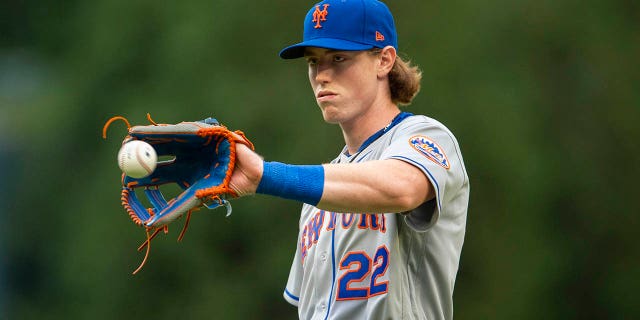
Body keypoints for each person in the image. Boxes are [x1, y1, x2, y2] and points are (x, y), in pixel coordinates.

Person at [229, 0, 469, 319]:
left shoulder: (425, 137)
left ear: (384, 60)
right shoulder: (316, 195)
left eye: (339, 58)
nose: (322, 75)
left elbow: (401, 188)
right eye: (314, 62)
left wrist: (266, 176)